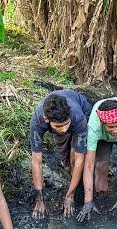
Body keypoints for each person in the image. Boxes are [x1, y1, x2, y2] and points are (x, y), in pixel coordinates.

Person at [76, 97, 117, 223]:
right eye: (110, 127)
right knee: (100, 167)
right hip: (102, 138)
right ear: (102, 123)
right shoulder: (93, 128)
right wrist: (88, 201)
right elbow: (89, 166)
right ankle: (102, 203)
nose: (115, 130)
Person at [29, 89, 92, 220]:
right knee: (67, 164)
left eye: (65, 124)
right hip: (62, 120)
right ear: (47, 120)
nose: (63, 129)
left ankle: (77, 192)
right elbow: (36, 161)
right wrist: (39, 199)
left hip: (83, 112)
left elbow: (80, 159)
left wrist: (70, 196)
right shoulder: (38, 120)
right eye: (58, 126)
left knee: (75, 157)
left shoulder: (78, 117)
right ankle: (75, 183)